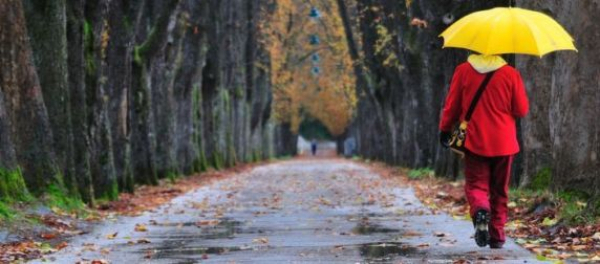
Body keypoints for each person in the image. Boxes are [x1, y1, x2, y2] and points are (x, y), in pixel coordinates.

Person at [439, 54, 529, 249]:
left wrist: (445, 128)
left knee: (476, 186)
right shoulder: (511, 74)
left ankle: (481, 210)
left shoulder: (463, 71)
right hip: (504, 142)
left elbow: (452, 104)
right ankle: (497, 235)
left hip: (475, 139)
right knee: (500, 190)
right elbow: (521, 109)